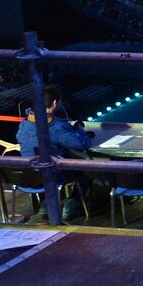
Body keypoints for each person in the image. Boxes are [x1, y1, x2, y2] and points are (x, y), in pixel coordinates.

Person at [16, 86, 93, 220]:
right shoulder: (57, 126)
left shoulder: (24, 125)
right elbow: (82, 144)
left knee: (43, 166)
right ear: (56, 103)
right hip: (52, 174)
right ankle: (71, 206)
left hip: (29, 175)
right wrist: (79, 129)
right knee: (87, 170)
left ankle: (45, 206)